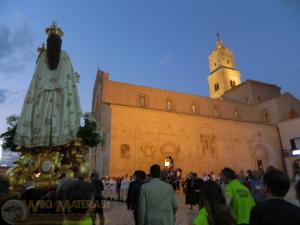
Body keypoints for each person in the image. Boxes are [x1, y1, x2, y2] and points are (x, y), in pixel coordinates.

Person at [14, 22, 81, 147]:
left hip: (42, 96)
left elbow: (37, 78)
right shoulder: (64, 55)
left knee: (40, 118)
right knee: (60, 119)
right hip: (60, 96)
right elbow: (69, 77)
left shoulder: (43, 56)